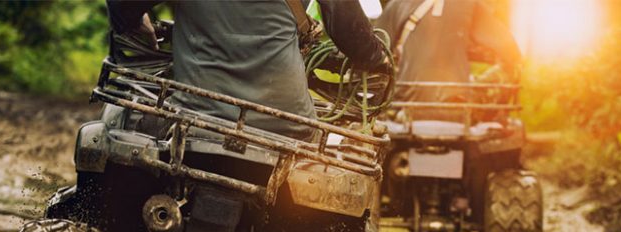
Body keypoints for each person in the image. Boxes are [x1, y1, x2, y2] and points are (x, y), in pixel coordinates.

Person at [107, 0, 389, 139]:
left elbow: (121, 7)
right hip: (289, 126)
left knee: (114, 119)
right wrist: (378, 59)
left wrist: (138, 23)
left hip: (196, 119)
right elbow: (352, 35)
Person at [377, 0, 522, 121]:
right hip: (456, 108)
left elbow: (376, 50)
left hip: (404, 106)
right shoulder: (469, 4)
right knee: (507, 72)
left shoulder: (398, 4)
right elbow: (509, 48)